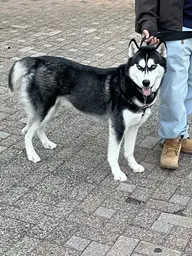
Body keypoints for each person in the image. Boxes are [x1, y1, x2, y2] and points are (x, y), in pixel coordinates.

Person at [135, 0, 192, 169]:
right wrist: (147, 20)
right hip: (175, 29)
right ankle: (171, 138)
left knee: (190, 87)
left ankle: (181, 132)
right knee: (174, 89)